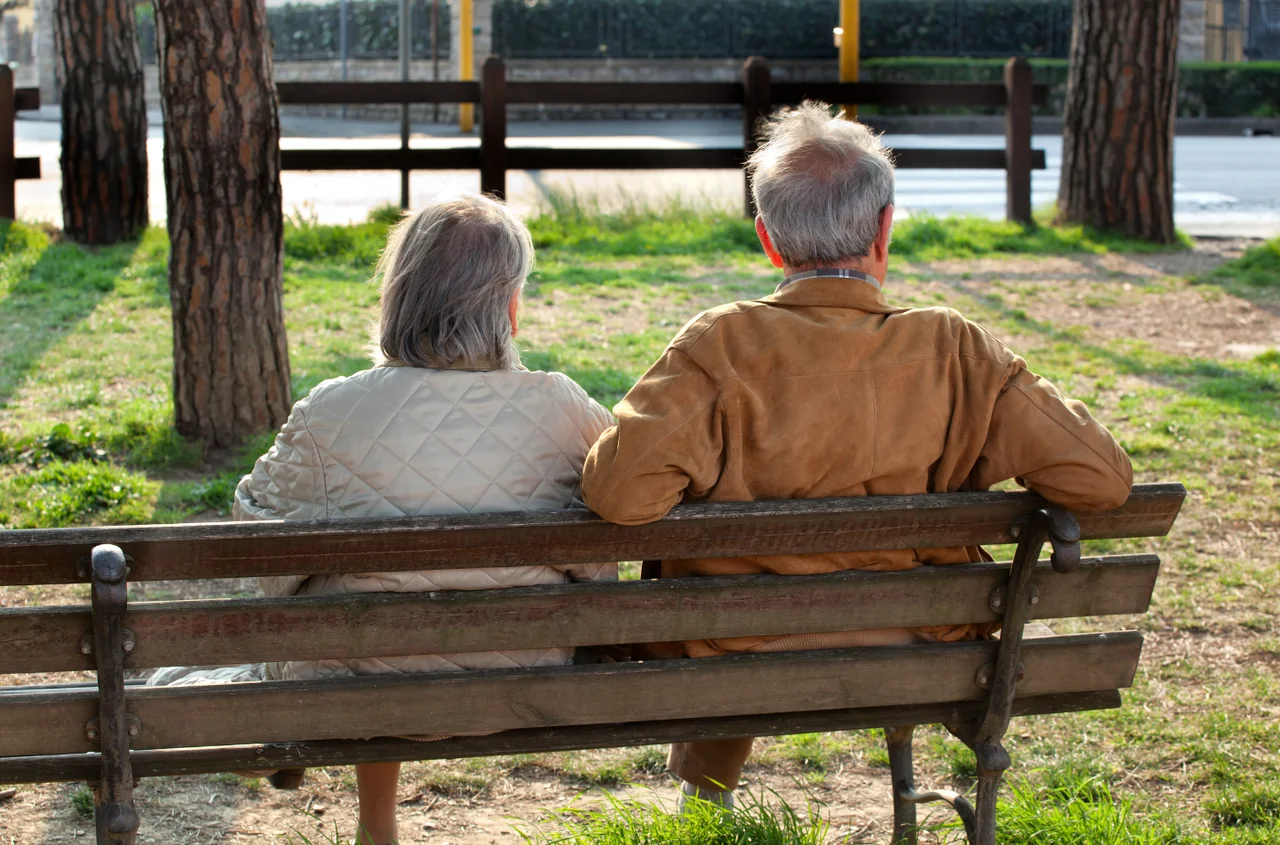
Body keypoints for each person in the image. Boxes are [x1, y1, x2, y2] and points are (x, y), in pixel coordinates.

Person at [579, 103, 1133, 812]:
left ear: (769, 241)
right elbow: (1104, 479)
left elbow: (618, 493)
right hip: (922, 645)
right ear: (884, 229)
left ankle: (704, 802)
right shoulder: (955, 350)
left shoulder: (720, 344)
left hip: (735, 655)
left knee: (719, 589)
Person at [231, 194, 616, 845]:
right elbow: (604, 550)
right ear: (511, 309)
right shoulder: (565, 408)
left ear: (398, 299)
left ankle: (375, 823)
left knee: (355, 607)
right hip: (525, 673)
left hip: (359, 682)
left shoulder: (334, 412)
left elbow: (255, 537)